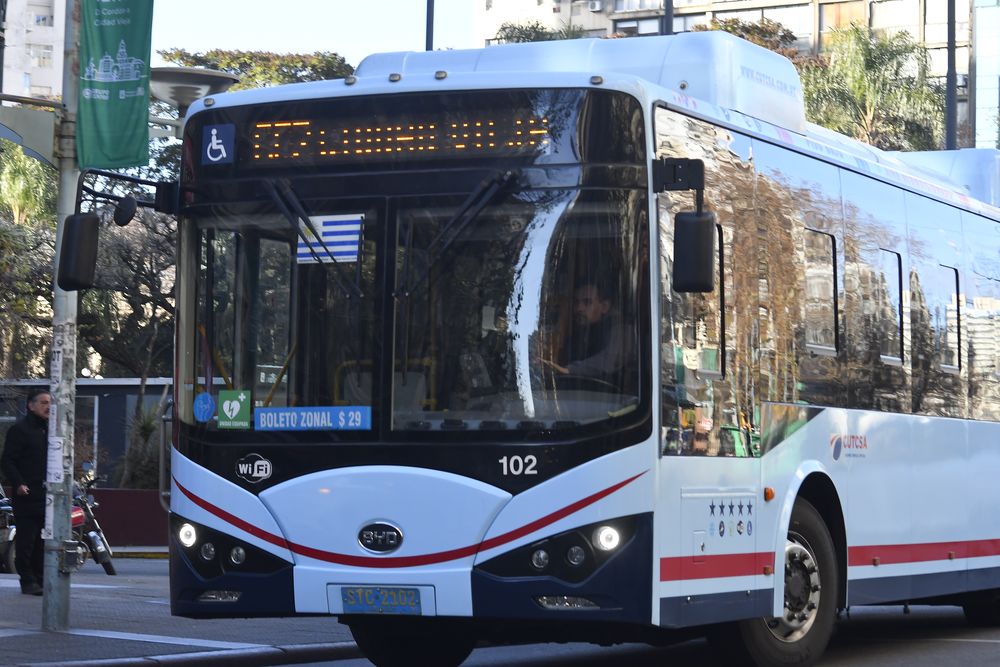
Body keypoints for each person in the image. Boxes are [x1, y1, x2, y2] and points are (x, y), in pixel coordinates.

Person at [1, 388, 50, 596]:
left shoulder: (50, 431)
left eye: (50, 403)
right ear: (31, 405)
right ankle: (28, 580)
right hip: (27, 495)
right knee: (26, 541)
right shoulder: (20, 430)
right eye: (43, 402)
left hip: (46, 495)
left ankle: (41, 580)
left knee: (43, 541)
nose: (48, 407)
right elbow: (8, 460)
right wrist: (19, 483)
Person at [543, 281, 629, 385]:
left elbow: (610, 360)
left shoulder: (622, 330)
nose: (579, 308)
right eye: (576, 303)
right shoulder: (577, 335)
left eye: (587, 302)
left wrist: (569, 370)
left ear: (605, 306)